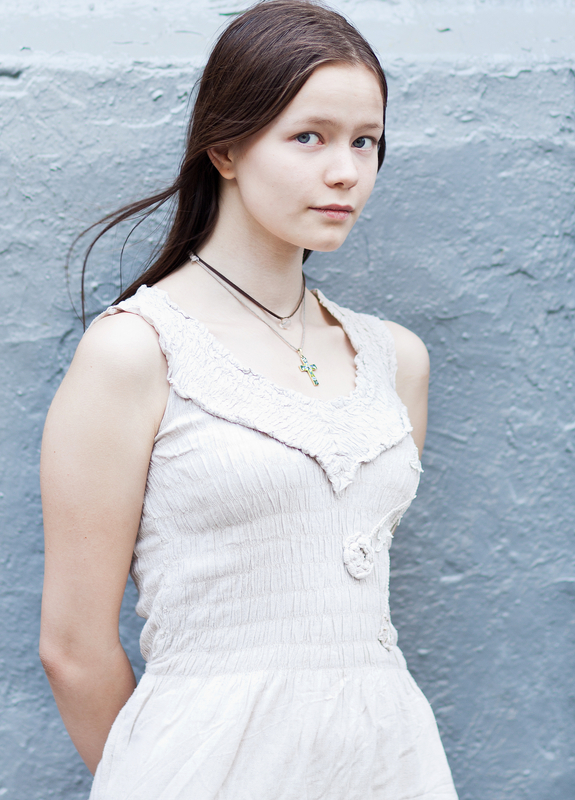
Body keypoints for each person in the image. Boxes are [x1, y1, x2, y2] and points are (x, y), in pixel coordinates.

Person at [39, 1, 459, 797]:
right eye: (308, 137)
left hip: (388, 766)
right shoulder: (137, 351)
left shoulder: (396, 360)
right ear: (225, 148)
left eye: (364, 141)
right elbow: (72, 648)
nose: (345, 171)